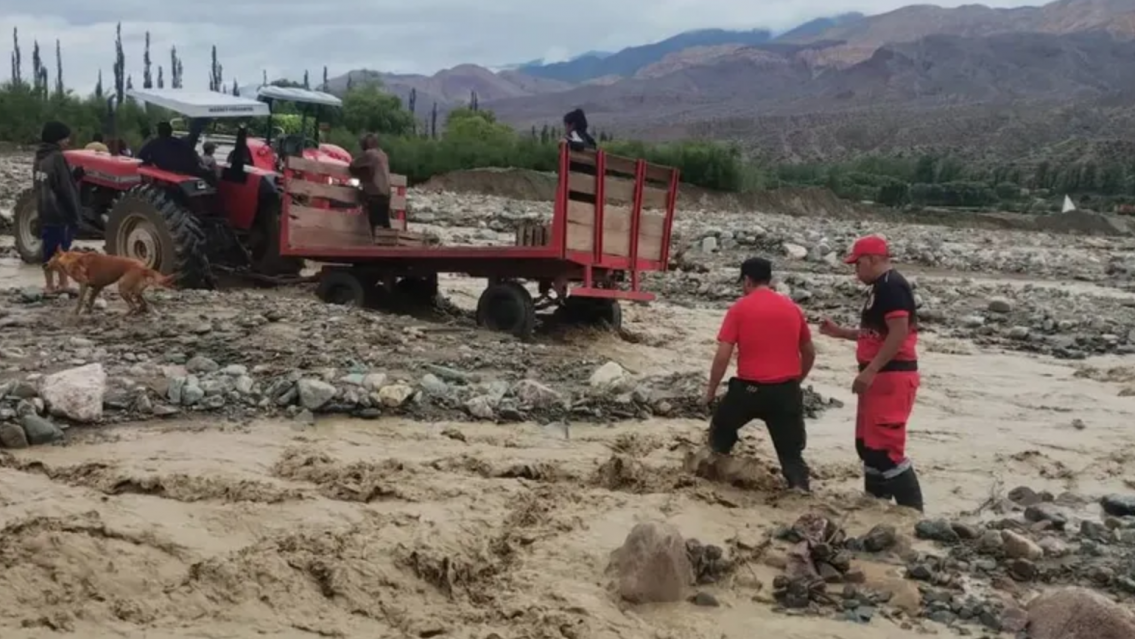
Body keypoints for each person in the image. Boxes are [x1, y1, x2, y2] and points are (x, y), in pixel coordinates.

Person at [820, 235, 924, 511]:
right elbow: (877, 334)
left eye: (858, 264)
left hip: (891, 377)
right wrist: (841, 333)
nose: (856, 271)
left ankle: (912, 515)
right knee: (867, 447)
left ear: (874, 260)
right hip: (879, 377)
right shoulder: (880, 288)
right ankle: (875, 507)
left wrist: (872, 370)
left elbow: (899, 332)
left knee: (886, 451)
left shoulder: (893, 287)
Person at [704, 257, 816, 491]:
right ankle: (799, 488)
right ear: (769, 279)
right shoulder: (792, 308)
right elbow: (809, 352)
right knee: (792, 457)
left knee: (721, 429)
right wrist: (796, 382)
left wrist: (711, 391)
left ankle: (712, 474)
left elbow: (723, 355)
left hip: (747, 392)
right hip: (785, 392)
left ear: (747, 280)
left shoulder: (739, 308)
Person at [34, 121, 83, 294]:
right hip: (59, 212)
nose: (67, 141)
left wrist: (75, 175)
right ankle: (62, 284)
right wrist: (75, 213)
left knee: (49, 248)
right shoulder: (57, 157)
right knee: (61, 250)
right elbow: (65, 188)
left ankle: (49, 284)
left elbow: (49, 182)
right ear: (57, 139)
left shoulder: (40, 156)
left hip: (44, 209)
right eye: (65, 138)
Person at [348, 132, 392, 233]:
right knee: (385, 223)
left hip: (374, 192)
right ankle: (389, 244)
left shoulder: (369, 154)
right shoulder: (383, 155)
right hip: (386, 193)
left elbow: (353, 166)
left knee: (374, 225)